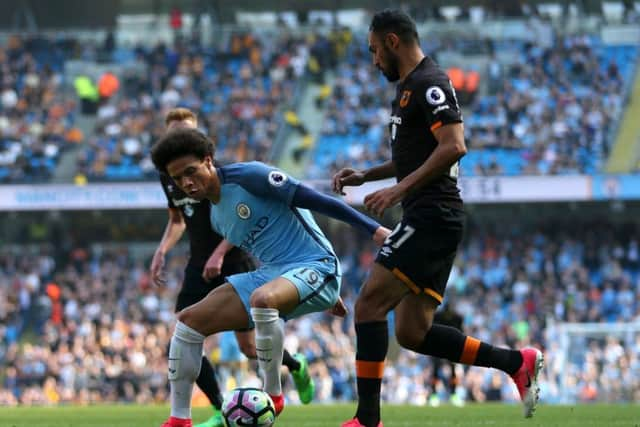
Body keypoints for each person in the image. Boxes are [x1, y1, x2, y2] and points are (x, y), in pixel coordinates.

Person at [332, 10, 544, 427]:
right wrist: (368, 176)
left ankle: (366, 420)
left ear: (393, 41)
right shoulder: (409, 88)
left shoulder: (430, 84)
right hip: (430, 215)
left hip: (432, 214)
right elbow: (414, 156)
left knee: (370, 305)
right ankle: (517, 362)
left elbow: (454, 146)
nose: (374, 61)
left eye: (375, 51)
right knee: (412, 333)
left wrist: (399, 189)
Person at [151, 127, 389, 427]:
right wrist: (305, 296)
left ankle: (273, 395)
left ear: (209, 161)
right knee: (187, 322)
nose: (186, 182)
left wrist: (374, 230)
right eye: (177, 178)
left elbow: (317, 201)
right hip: (276, 274)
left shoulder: (250, 176)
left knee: (262, 298)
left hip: (317, 264)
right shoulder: (216, 217)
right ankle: (179, 419)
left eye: (191, 171)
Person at [151, 108, 316, 427]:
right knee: (185, 335)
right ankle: (217, 406)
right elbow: (177, 220)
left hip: (234, 257)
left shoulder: (217, 174)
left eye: (186, 132)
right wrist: (161, 251)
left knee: (249, 346)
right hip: (198, 263)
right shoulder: (169, 178)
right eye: (173, 133)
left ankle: (294, 366)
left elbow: (245, 218)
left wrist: (220, 253)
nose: (179, 139)